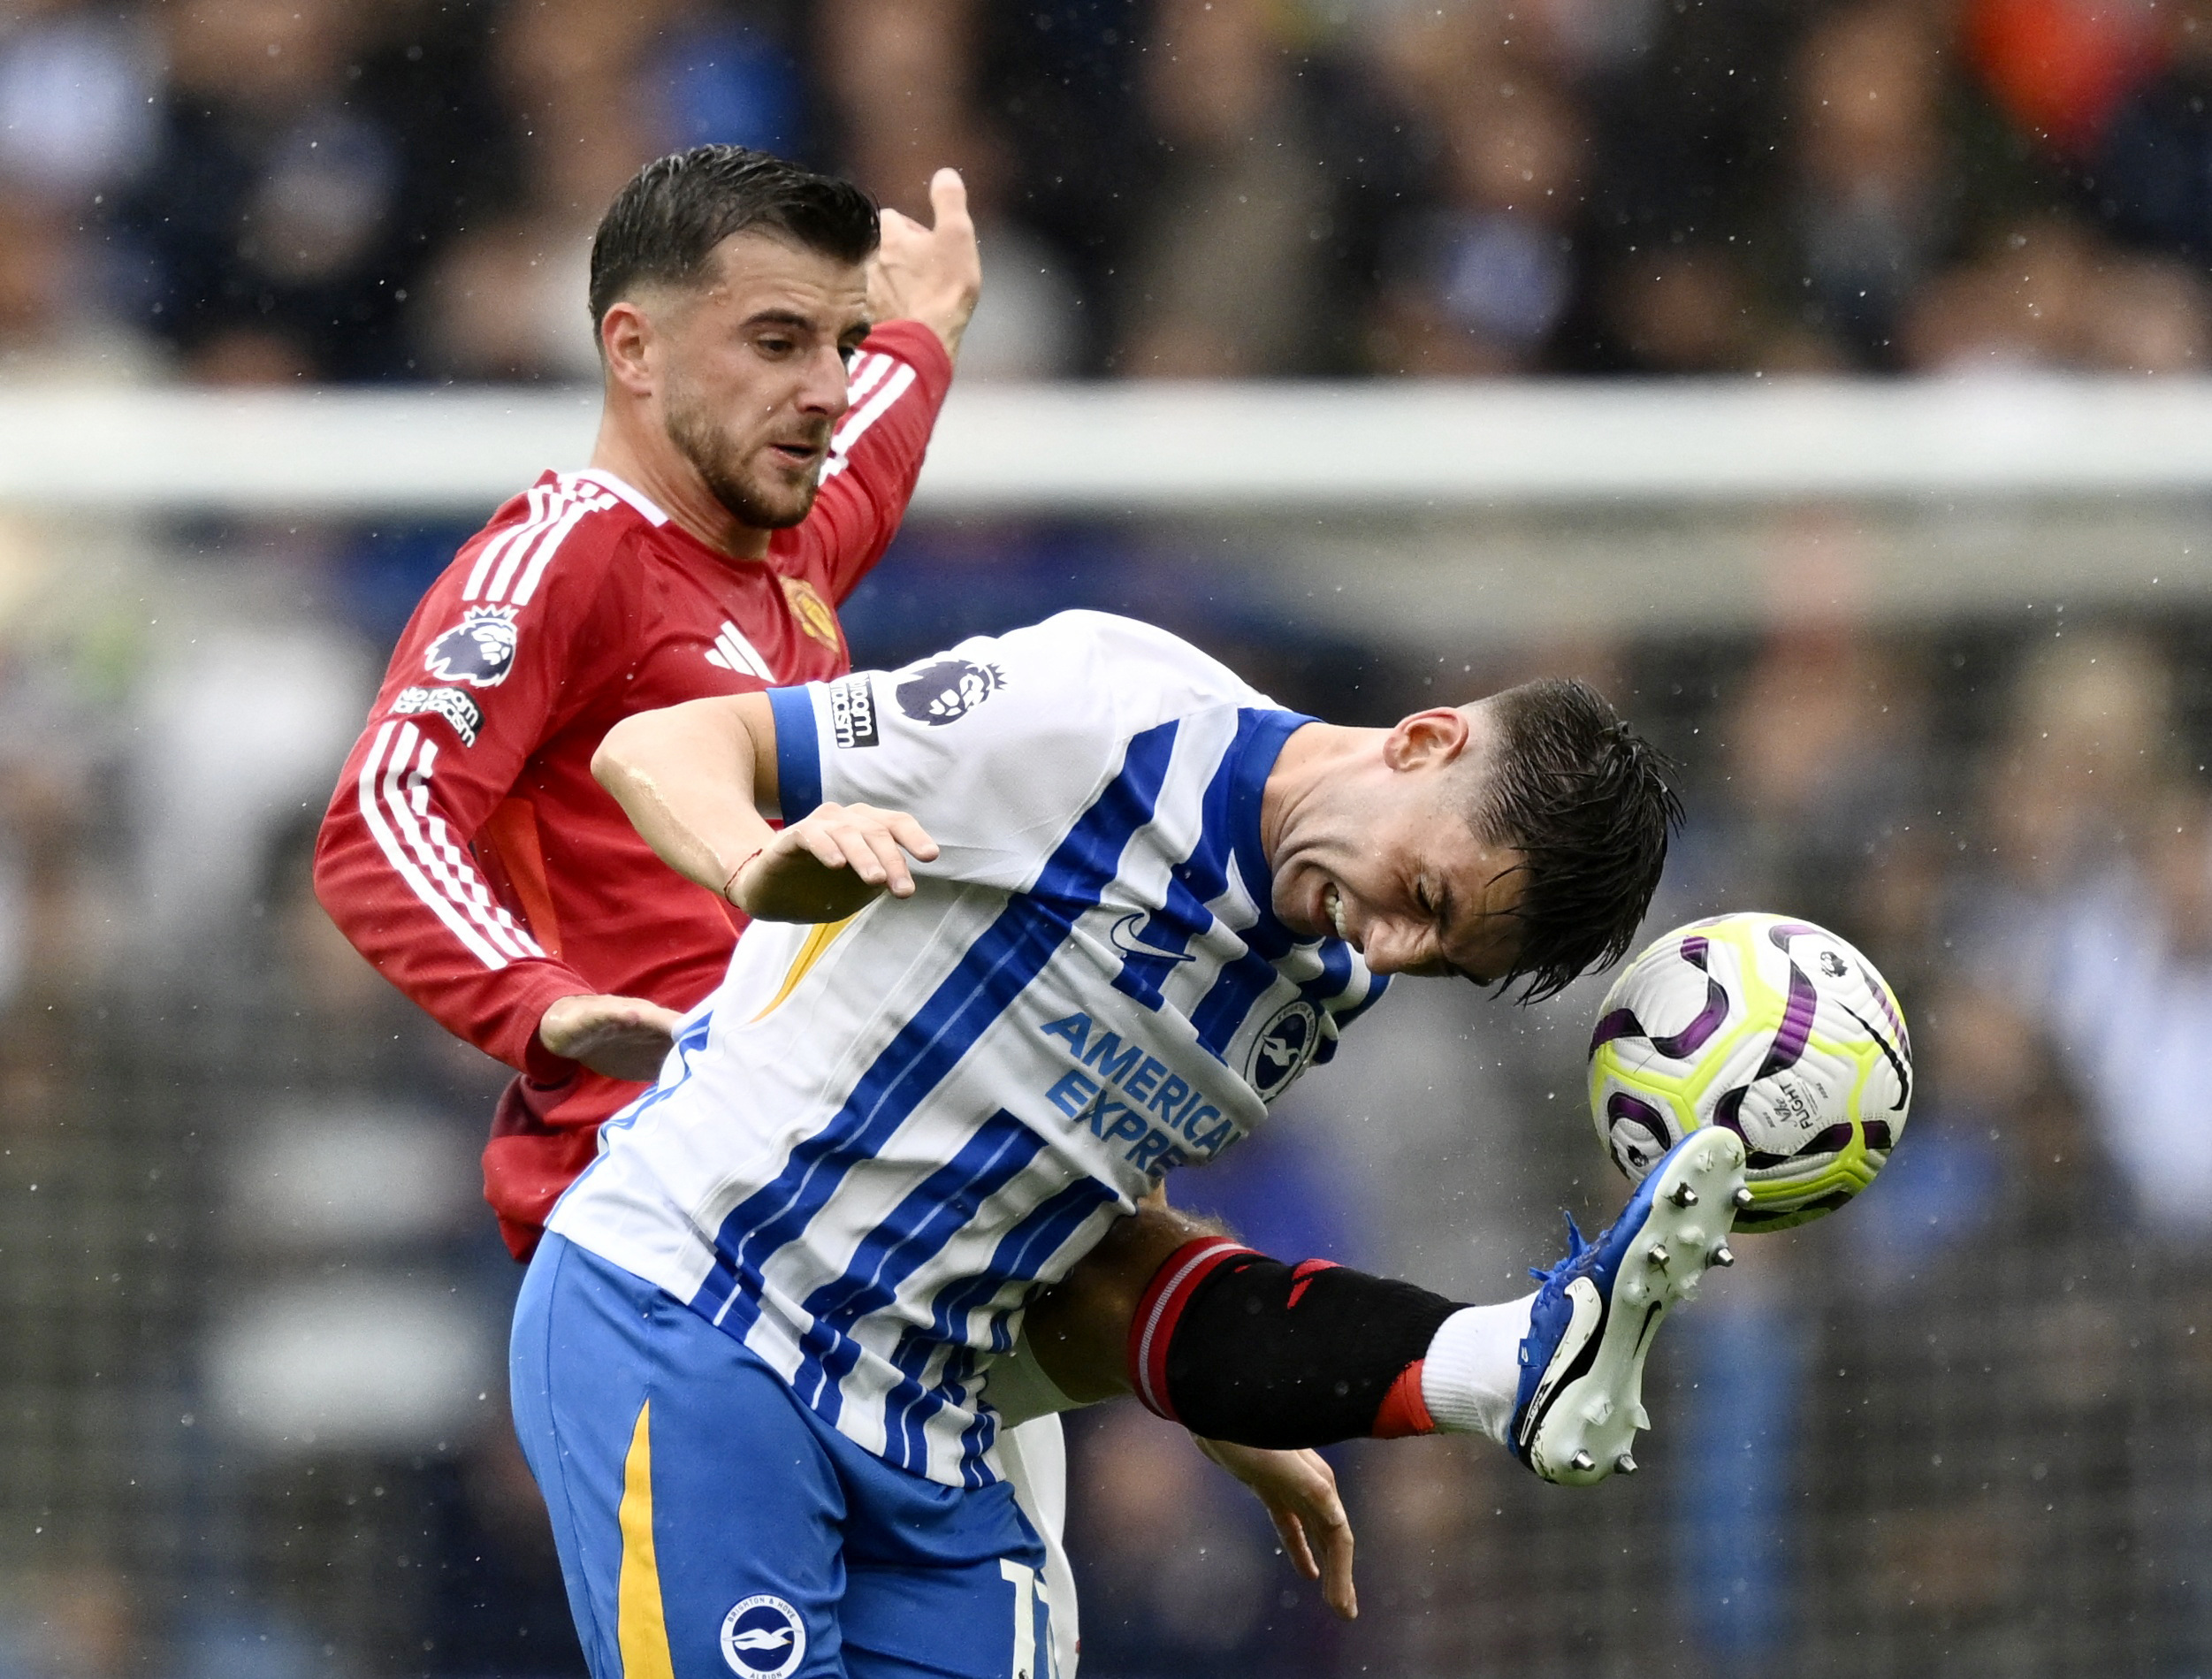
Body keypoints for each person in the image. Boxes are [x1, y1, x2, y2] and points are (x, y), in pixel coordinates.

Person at [311, 145, 1333, 1677]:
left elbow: (862, 463)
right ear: (632, 349)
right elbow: (384, 812)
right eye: (777, 341)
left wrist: (922, 332)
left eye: (835, 347)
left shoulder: (775, 562)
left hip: (898, 1266)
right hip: (690, 1257)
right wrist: (539, 1000)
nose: (820, 386)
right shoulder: (567, 555)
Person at [516, 609, 1744, 1679]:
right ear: (1424, 742)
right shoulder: (1097, 714)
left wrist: (1230, 1401)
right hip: (694, 1309)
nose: (1389, 952)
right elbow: (662, 743)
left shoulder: (1326, 978)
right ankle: (1500, 1359)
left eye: (1441, 961)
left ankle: (1502, 1361)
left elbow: (1093, 1186)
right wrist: (753, 859)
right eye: (1424, 900)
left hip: (927, 1413)